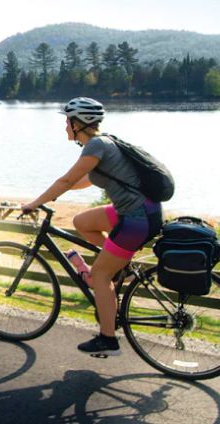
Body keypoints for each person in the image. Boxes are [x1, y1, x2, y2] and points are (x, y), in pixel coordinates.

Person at [21, 97, 163, 357]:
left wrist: (34, 203)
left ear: (79, 123)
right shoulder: (104, 143)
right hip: (139, 212)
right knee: (81, 222)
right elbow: (82, 181)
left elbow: (66, 180)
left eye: (67, 121)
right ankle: (120, 266)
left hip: (135, 219)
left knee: (99, 276)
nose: (65, 125)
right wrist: (51, 192)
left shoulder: (96, 145)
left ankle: (108, 340)